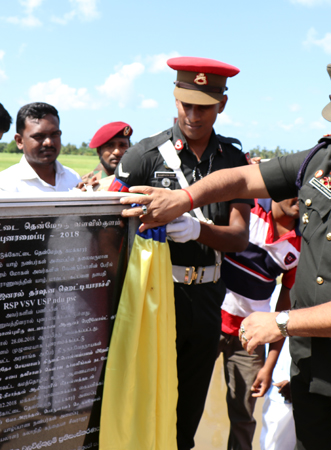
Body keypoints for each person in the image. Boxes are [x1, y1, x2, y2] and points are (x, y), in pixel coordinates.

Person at [121, 61, 331, 450]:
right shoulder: (325, 160)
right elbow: (245, 178)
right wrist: (183, 199)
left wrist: (280, 322)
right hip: (312, 368)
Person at [110, 56, 251, 450]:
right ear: (175, 100)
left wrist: (198, 230)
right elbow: (108, 229)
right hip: (154, 296)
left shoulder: (232, 160)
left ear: (221, 104)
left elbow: (239, 237)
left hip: (207, 299)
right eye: (186, 104)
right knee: (147, 400)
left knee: (187, 412)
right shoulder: (144, 155)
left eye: (204, 106)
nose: (193, 114)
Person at [219, 197, 300, 450]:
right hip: (208, 321)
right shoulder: (246, 209)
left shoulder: (302, 242)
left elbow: (283, 310)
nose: (298, 197)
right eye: (291, 187)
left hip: (250, 339)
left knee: (243, 417)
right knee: (187, 398)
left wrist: (269, 365)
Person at [0, 102, 81, 192]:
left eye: (55, 134)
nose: (49, 143)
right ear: (19, 141)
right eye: (38, 136)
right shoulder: (4, 186)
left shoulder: (73, 179)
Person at [80, 121, 132, 191]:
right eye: (110, 146)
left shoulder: (137, 181)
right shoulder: (84, 184)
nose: (117, 152)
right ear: (99, 151)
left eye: (122, 145)